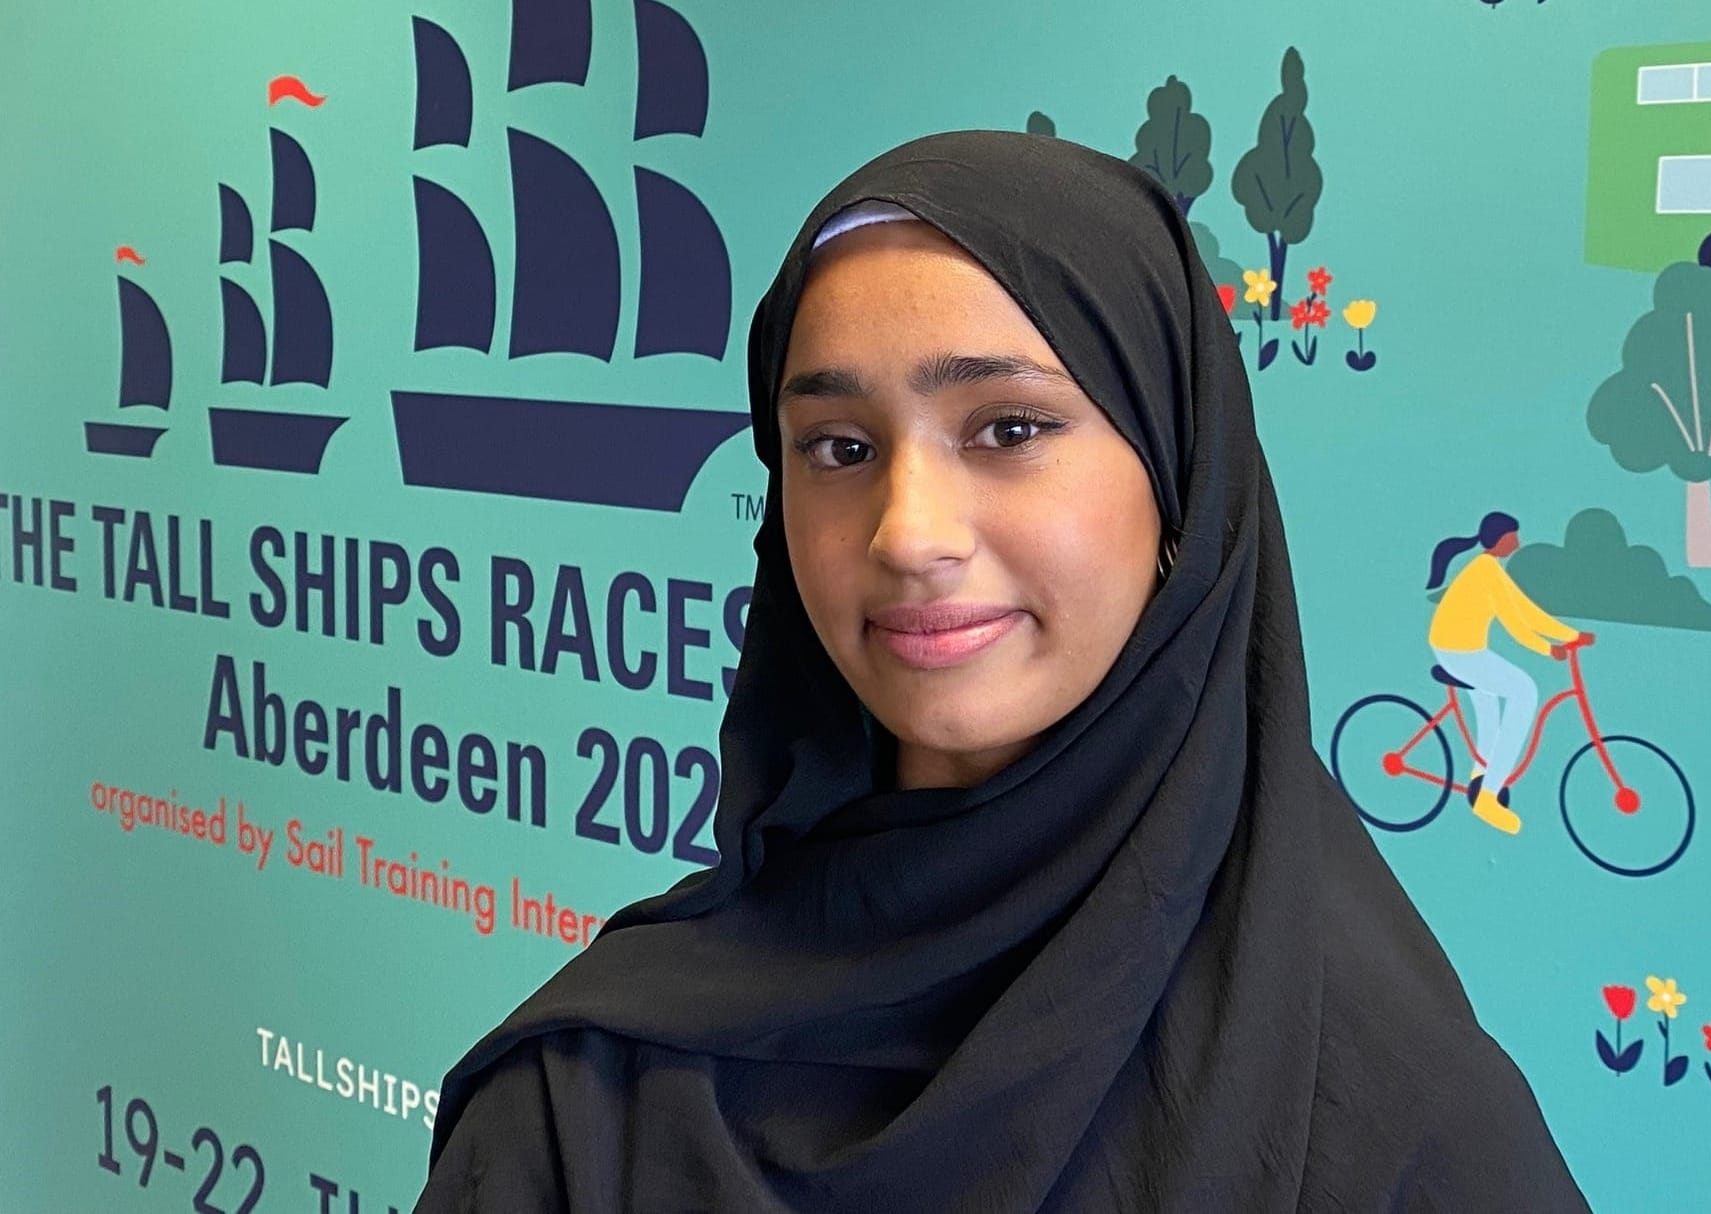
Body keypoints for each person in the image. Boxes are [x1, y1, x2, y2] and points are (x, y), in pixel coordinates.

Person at [413, 130, 1592, 1212]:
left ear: (1181, 483)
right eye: (839, 447)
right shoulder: (595, 1083)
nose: (907, 533)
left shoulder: (1393, 1116)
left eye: (1010, 429)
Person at [1427, 512, 1591, 836]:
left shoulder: (1489, 569)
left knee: (1491, 712)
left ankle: (1481, 778)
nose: (1518, 542)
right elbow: (1515, 621)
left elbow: (1524, 609)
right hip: (1459, 652)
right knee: (1524, 691)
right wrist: (1550, 648)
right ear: (1501, 539)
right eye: (1514, 536)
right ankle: (1488, 797)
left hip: (1460, 648)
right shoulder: (1486, 571)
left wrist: (1569, 635)